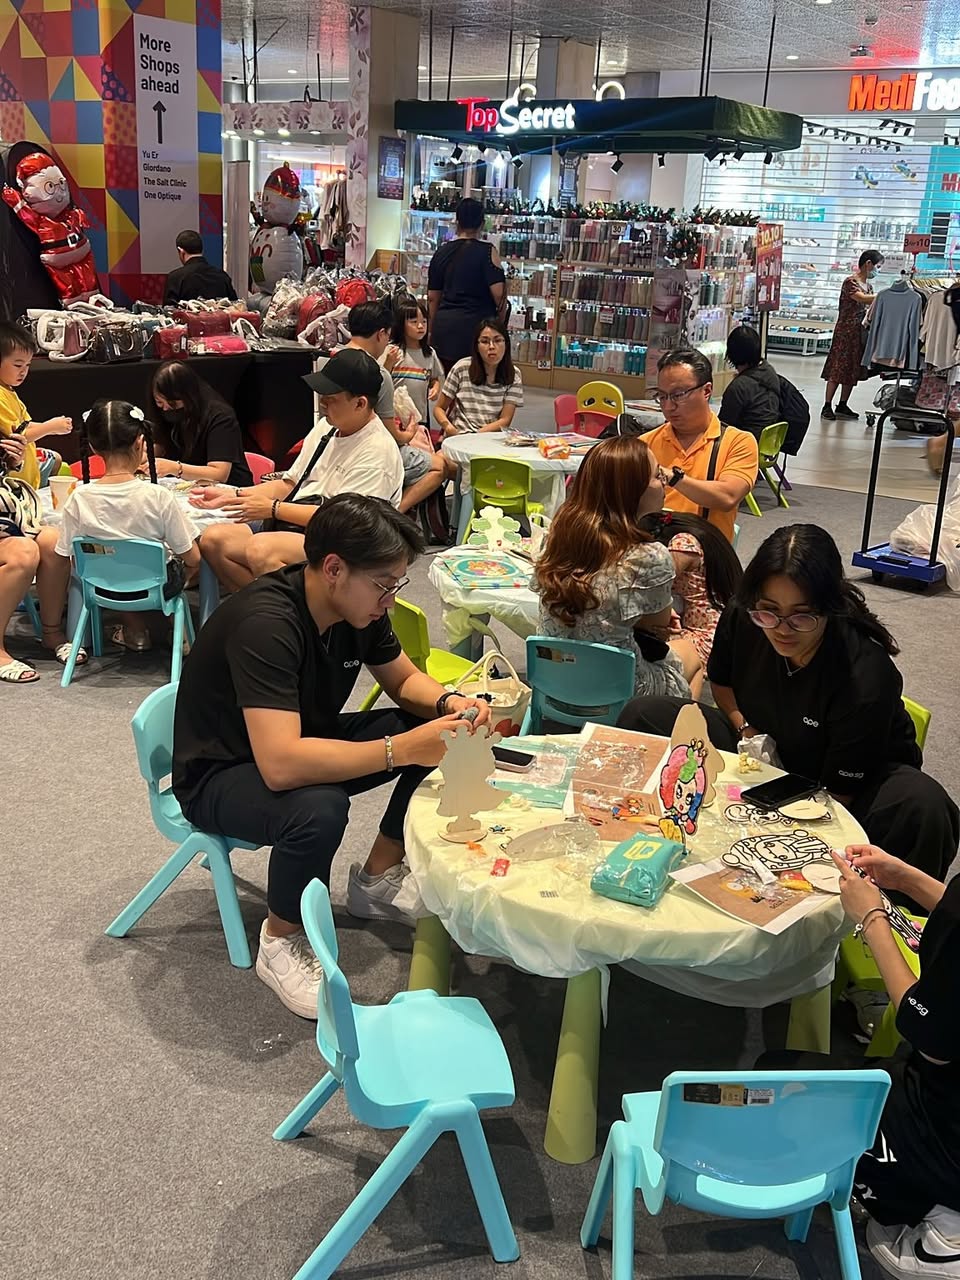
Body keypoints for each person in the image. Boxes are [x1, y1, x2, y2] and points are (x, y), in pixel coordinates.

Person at [172, 495, 491, 1019]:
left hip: (296, 739)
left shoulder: (358, 608)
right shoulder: (266, 622)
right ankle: (280, 938)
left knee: (435, 731)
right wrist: (400, 750)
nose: (390, 600)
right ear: (335, 569)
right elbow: (281, 766)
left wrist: (448, 704)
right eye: (384, 584)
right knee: (318, 807)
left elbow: (404, 680)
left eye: (397, 584)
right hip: (219, 772)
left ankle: (376, 880)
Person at [617, 523, 959, 886]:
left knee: (923, 805)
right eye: (768, 611)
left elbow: (839, 794)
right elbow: (722, 681)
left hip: (845, 781)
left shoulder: (863, 676)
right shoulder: (746, 615)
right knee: (646, 714)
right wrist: (746, 730)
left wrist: (765, 827)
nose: (781, 628)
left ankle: (888, 914)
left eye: (802, 615)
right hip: (762, 744)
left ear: (830, 607)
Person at [758, 843, 960, 1280]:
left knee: (776, 1086)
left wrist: (872, 919)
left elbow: (927, 1035)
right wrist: (906, 878)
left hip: (945, 1130)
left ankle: (947, 1226)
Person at [195, 348, 403, 590]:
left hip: (344, 544)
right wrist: (233, 495)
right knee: (213, 540)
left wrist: (273, 509)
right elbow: (290, 484)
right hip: (297, 523)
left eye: (331, 399)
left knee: (262, 550)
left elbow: (345, 523)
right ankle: (268, 606)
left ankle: (291, 610)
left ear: (360, 403)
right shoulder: (327, 427)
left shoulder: (377, 452)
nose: (323, 404)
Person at [534, 436, 694, 698]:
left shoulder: (556, 538)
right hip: (618, 688)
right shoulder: (650, 556)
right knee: (690, 654)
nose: (664, 482)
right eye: (657, 476)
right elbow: (657, 628)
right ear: (632, 491)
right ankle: (677, 723)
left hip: (553, 680)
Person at [57, 400, 200, 652]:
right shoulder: (158, 496)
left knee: (113, 562)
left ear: (93, 447)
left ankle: (135, 632)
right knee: (179, 565)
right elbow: (193, 557)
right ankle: (179, 631)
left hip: (101, 588)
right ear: (140, 442)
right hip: (156, 587)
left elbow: (66, 555)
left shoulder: (78, 497)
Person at [0, 321, 80, 681]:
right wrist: (48, 428)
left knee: (54, 542)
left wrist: (13, 459)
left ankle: (51, 632)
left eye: (27, 365)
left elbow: (14, 448)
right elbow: (23, 433)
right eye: (17, 364)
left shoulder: (11, 395)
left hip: (13, 507)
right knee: (24, 554)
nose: (23, 372)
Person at [641, 348, 759, 544]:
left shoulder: (738, 442)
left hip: (707, 554)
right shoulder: (645, 443)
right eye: (662, 396)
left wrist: (672, 477)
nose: (668, 406)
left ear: (706, 391)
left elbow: (728, 497)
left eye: (678, 395)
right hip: (652, 549)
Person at [638, 508, 743, 673]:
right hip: (715, 631)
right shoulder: (693, 531)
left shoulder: (682, 544)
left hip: (704, 640)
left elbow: (653, 584)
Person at [433, 317, 523, 482]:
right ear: (476, 345)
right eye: (485, 341)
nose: (491, 347)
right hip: (458, 440)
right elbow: (439, 408)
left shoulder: (514, 374)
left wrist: (476, 436)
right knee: (437, 464)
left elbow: (505, 420)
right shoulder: (462, 368)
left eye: (498, 340)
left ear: (506, 344)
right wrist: (448, 427)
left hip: (490, 442)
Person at [427, 197, 506, 373]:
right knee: (476, 382)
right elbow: (499, 295)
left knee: (448, 381)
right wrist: (500, 326)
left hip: (445, 330)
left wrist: (432, 331)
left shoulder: (441, 252)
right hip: (478, 331)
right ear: (482, 223)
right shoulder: (488, 252)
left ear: (457, 222)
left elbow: (432, 298)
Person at [149, 361, 252, 488]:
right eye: (159, 402)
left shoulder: (220, 417)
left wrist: (175, 468)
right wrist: (140, 457)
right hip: (192, 486)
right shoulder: (167, 413)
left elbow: (219, 473)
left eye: (172, 404)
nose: (165, 408)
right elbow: (161, 445)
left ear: (188, 396)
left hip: (231, 488)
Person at [821, 248, 883, 421]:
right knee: (838, 367)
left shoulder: (869, 286)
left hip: (859, 332)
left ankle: (843, 404)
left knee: (852, 368)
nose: (878, 270)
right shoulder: (850, 282)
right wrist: (885, 296)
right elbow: (861, 298)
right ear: (868, 263)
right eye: (878, 266)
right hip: (845, 332)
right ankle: (827, 405)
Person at [719, 324, 782, 440]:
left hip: (745, 442)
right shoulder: (769, 370)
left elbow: (723, 425)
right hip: (768, 441)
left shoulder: (739, 387)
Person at [162, 230, 237, 306]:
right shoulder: (223, 276)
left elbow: (168, 309)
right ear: (201, 250)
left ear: (181, 251)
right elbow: (235, 307)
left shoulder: (175, 278)